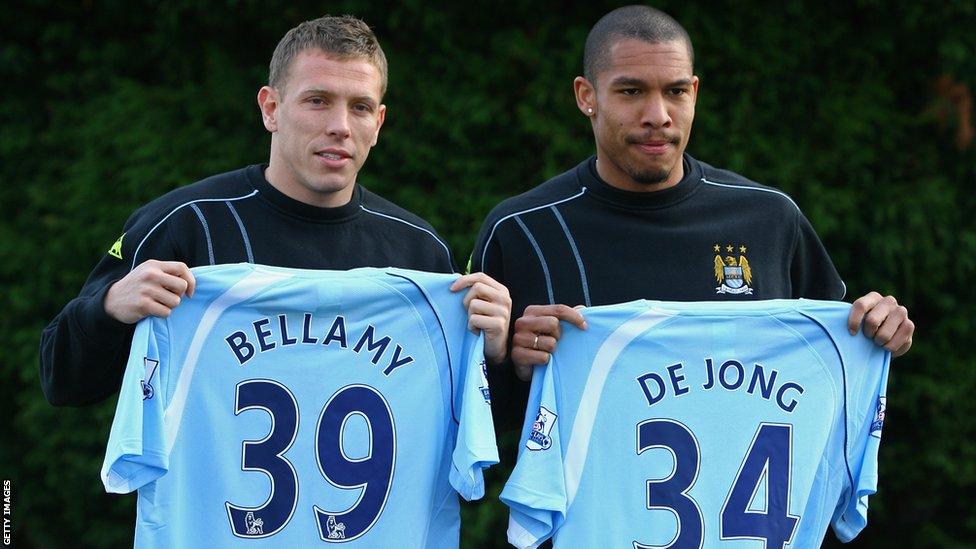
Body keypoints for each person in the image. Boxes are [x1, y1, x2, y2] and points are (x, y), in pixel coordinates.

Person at [471, 5, 913, 430]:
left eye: (676, 91)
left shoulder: (770, 218)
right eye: (632, 92)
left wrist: (880, 336)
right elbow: (471, 420)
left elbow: (836, 382)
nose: (658, 116)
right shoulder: (522, 229)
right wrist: (514, 367)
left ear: (695, 93)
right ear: (587, 96)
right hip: (590, 510)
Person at [40, 15, 511, 407]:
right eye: (317, 101)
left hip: (372, 522)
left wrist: (490, 352)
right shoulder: (187, 224)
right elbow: (62, 383)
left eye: (360, 107)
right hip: (209, 521)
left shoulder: (419, 251)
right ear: (271, 108)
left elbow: (465, 419)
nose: (340, 127)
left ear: (379, 123)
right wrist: (107, 311)